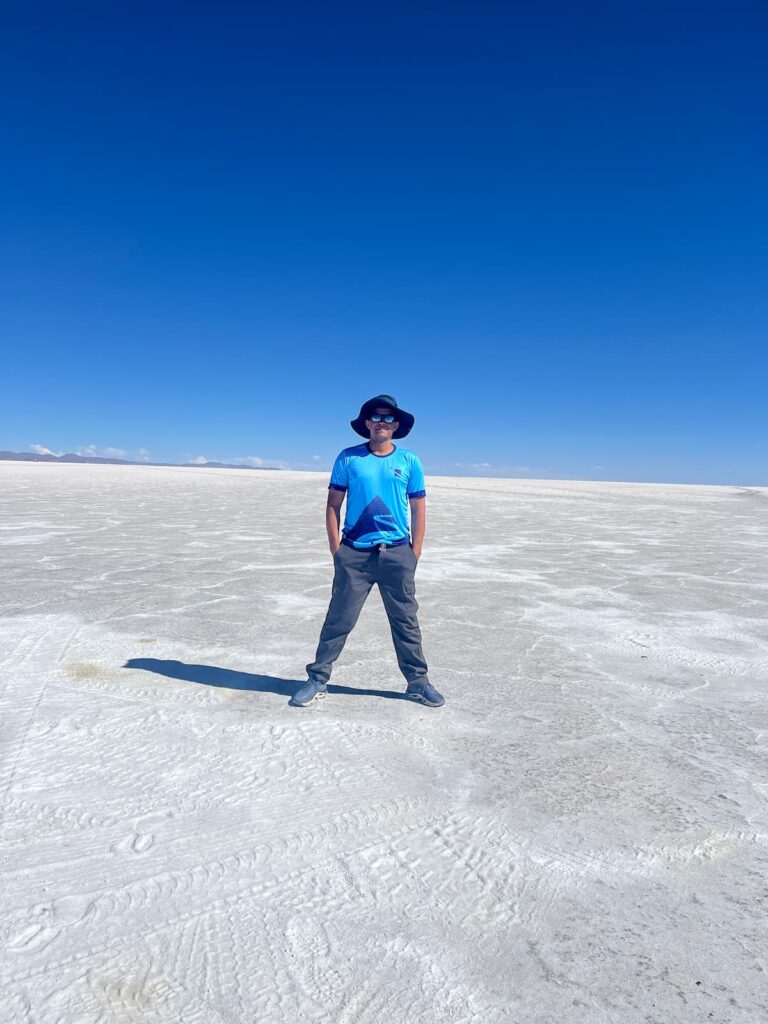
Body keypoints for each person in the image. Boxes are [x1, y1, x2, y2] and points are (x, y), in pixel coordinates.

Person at [295, 394, 445, 708]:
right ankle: (317, 678)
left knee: (406, 622)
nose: (382, 422)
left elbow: (419, 508)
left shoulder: (408, 461)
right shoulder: (348, 459)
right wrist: (337, 550)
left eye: (389, 418)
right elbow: (333, 505)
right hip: (355, 555)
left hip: (396, 554)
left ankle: (418, 683)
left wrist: (414, 551)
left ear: (396, 425)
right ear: (366, 423)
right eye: (376, 417)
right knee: (339, 619)